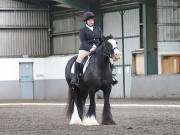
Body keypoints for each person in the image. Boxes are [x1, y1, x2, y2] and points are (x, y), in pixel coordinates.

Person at [71, 11, 118, 88]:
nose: (91, 21)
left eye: (92, 20)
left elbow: (101, 39)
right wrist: (90, 48)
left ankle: (111, 77)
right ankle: (75, 77)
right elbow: (83, 41)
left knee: (110, 59)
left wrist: (107, 41)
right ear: (86, 21)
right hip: (85, 49)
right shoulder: (82, 30)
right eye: (89, 20)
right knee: (79, 59)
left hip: (98, 49)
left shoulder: (98, 29)